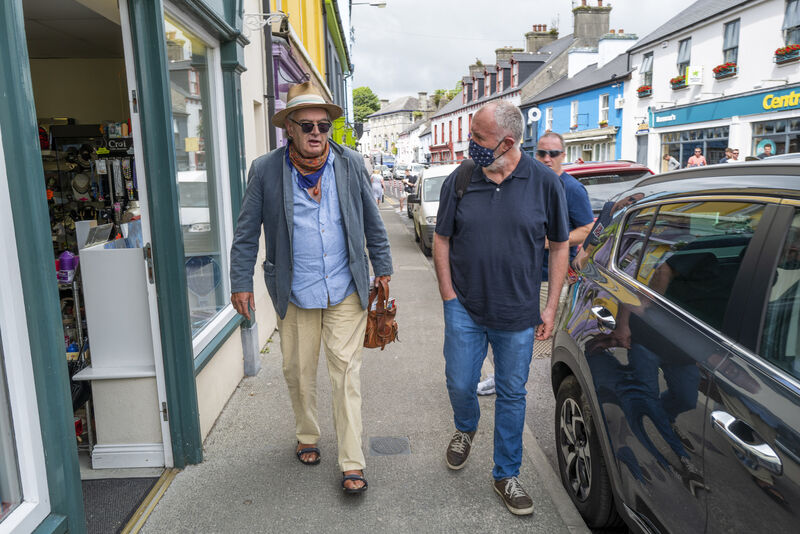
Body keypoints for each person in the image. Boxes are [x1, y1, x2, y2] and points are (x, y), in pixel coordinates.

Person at [229, 82, 393, 495]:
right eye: (307, 125)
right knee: (299, 373)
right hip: (296, 289)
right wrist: (240, 282)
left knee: (346, 375)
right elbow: (246, 233)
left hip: (345, 287)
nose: (317, 132)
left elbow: (372, 220)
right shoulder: (265, 170)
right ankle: (307, 434)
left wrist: (383, 267)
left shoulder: (350, 163)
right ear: (289, 128)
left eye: (324, 125)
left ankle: (352, 461)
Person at [433, 101, 570, 516]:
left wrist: (550, 307)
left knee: (512, 393)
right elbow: (441, 238)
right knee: (460, 383)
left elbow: (559, 246)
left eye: (478, 138)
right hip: (465, 306)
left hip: (517, 312)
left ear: (508, 143)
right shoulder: (461, 178)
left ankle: (505, 474)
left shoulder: (545, 183)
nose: (470, 144)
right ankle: (466, 426)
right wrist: (448, 295)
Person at [534, 132, 594, 318]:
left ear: (563, 155)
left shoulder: (572, 188)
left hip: (550, 279)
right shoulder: (529, 185)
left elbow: (587, 230)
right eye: (542, 153)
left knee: (543, 331)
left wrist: (551, 241)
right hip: (523, 277)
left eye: (553, 153)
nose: (547, 158)